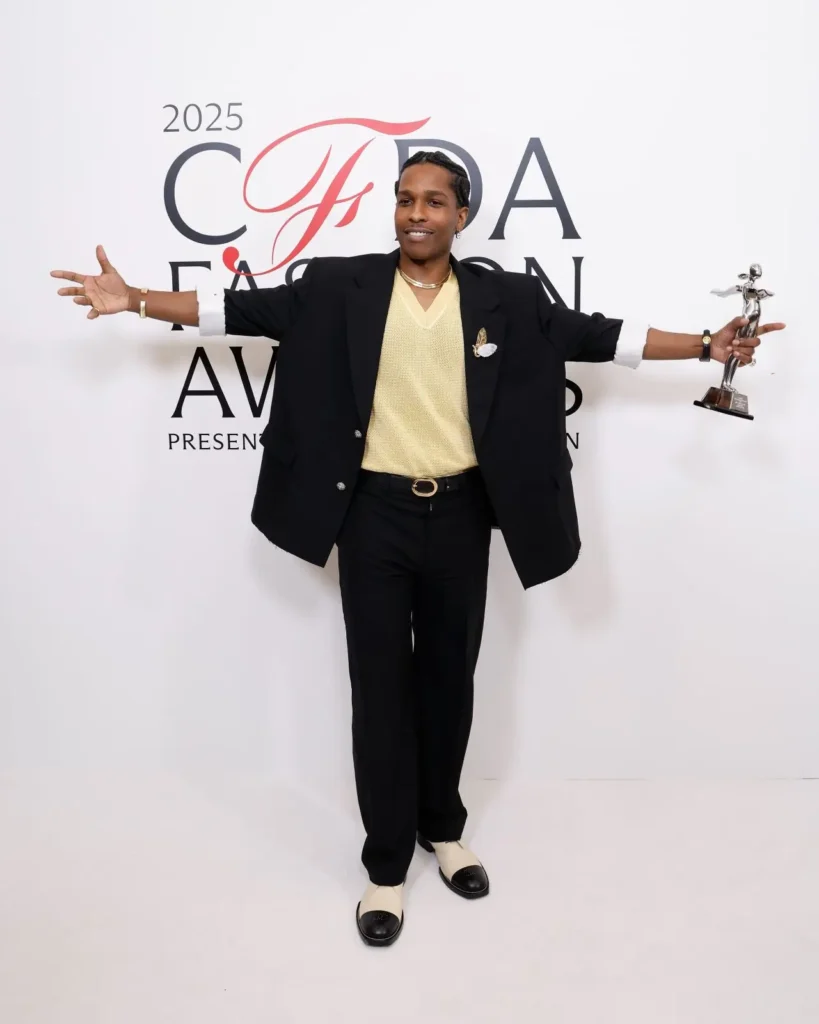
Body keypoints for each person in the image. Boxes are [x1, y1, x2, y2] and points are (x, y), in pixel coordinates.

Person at [51, 151, 785, 948]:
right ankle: (385, 866)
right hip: (372, 517)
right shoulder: (340, 288)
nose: (415, 214)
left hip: (462, 513)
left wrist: (709, 345)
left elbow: (599, 335)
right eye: (404, 200)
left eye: (433, 201)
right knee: (379, 687)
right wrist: (135, 301)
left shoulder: (504, 298)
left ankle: (443, 827)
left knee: (448, 680)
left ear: (460, 217)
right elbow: (239, 309)